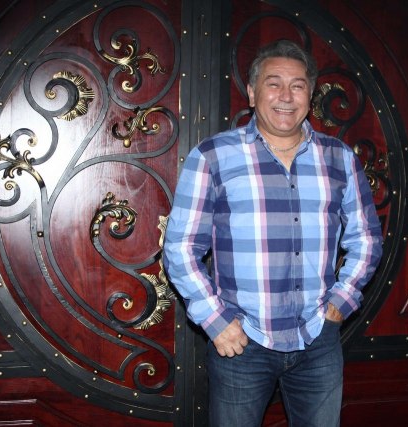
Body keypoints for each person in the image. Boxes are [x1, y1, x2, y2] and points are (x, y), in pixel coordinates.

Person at [163, 39, 383, 427]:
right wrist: (215, 320)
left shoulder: (340, 159)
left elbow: (366, 238)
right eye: (273, 83)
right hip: (241, 343)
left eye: (297, 85)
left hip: (318, 340)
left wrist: (342, 300)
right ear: (252, 92)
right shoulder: (213, 156)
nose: (286, 96)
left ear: (310, 96)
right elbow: (180, 248)